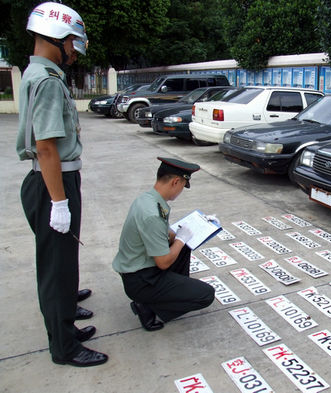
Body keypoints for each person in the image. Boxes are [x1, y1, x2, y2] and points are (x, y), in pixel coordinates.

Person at [16, 2, 107, 367]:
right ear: (57, 36)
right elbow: (46, 147)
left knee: (62, 263)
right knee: (57, 269)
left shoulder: (37, 73)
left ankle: (65, 321)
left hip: (53, 180)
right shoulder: (48, 81)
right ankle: (65, 347)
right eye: (71, 42)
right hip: (54, 181)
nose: (73, 50)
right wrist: (59, 202)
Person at [112, 157, 215, 331]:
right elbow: (163, 262)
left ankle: (169, 292)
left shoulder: (148, 199)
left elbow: (166, 234)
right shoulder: (152, 214)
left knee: (183, 248)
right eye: (183, 185)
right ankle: (146, 306)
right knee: (206, 295)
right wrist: (181, 239)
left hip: (140, 270)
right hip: (141, 281)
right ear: (176, 182)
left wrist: (192, 228)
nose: (181, 190)